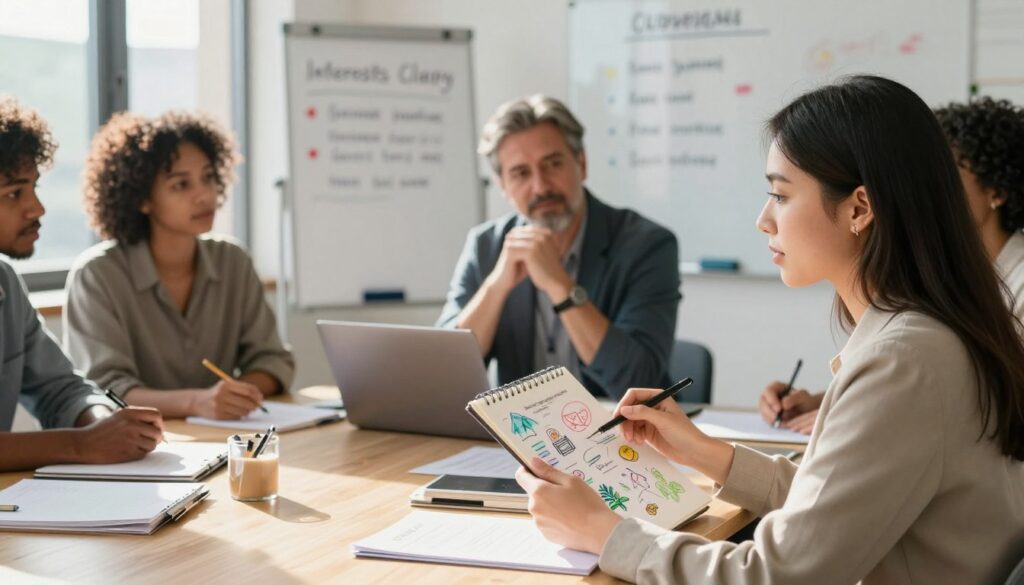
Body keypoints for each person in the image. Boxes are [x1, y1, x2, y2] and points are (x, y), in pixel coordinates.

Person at [514, 76, 1024, 584]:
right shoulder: (931, 331)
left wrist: (604, 533)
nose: (763, 220)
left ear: (859, 208)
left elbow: (780, 576)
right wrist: (704, 452)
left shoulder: (905, 360)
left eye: (780, 195)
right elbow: (839, 507)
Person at [760, 96, 1024, 434]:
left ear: (996, 191)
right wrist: (830, 402)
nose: (931, 187)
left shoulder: (910, 341)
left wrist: (855, 415)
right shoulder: (941, 283)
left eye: (947, 173)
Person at [437, 95, 680, 399]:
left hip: (623, 432)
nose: (540, 186)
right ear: (503, 186)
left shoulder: (647, 245)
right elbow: (441, 377)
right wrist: (496, 288)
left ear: (582, 164)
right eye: (521, 173)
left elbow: (639, 379)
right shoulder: (485, 246)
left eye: (552, 164)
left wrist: (560, 285)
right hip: (524, 434)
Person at [63, 111, 294, 420]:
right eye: (181, 184)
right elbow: (107, 390)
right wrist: (197, 403)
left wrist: (235, 396)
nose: (203, 195)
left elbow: (273, 360)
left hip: (227, 438)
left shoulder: (233, 261)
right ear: (142, 199)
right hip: (143, 452)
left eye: (208, 177)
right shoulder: (97, 275)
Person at [0, 97, 163, 470]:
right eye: (14, 193)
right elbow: (79, 443)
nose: (37, 208)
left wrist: (104, 422)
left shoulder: (5, 285)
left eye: (34, 188)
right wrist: (81, 445)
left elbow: (59, 389)